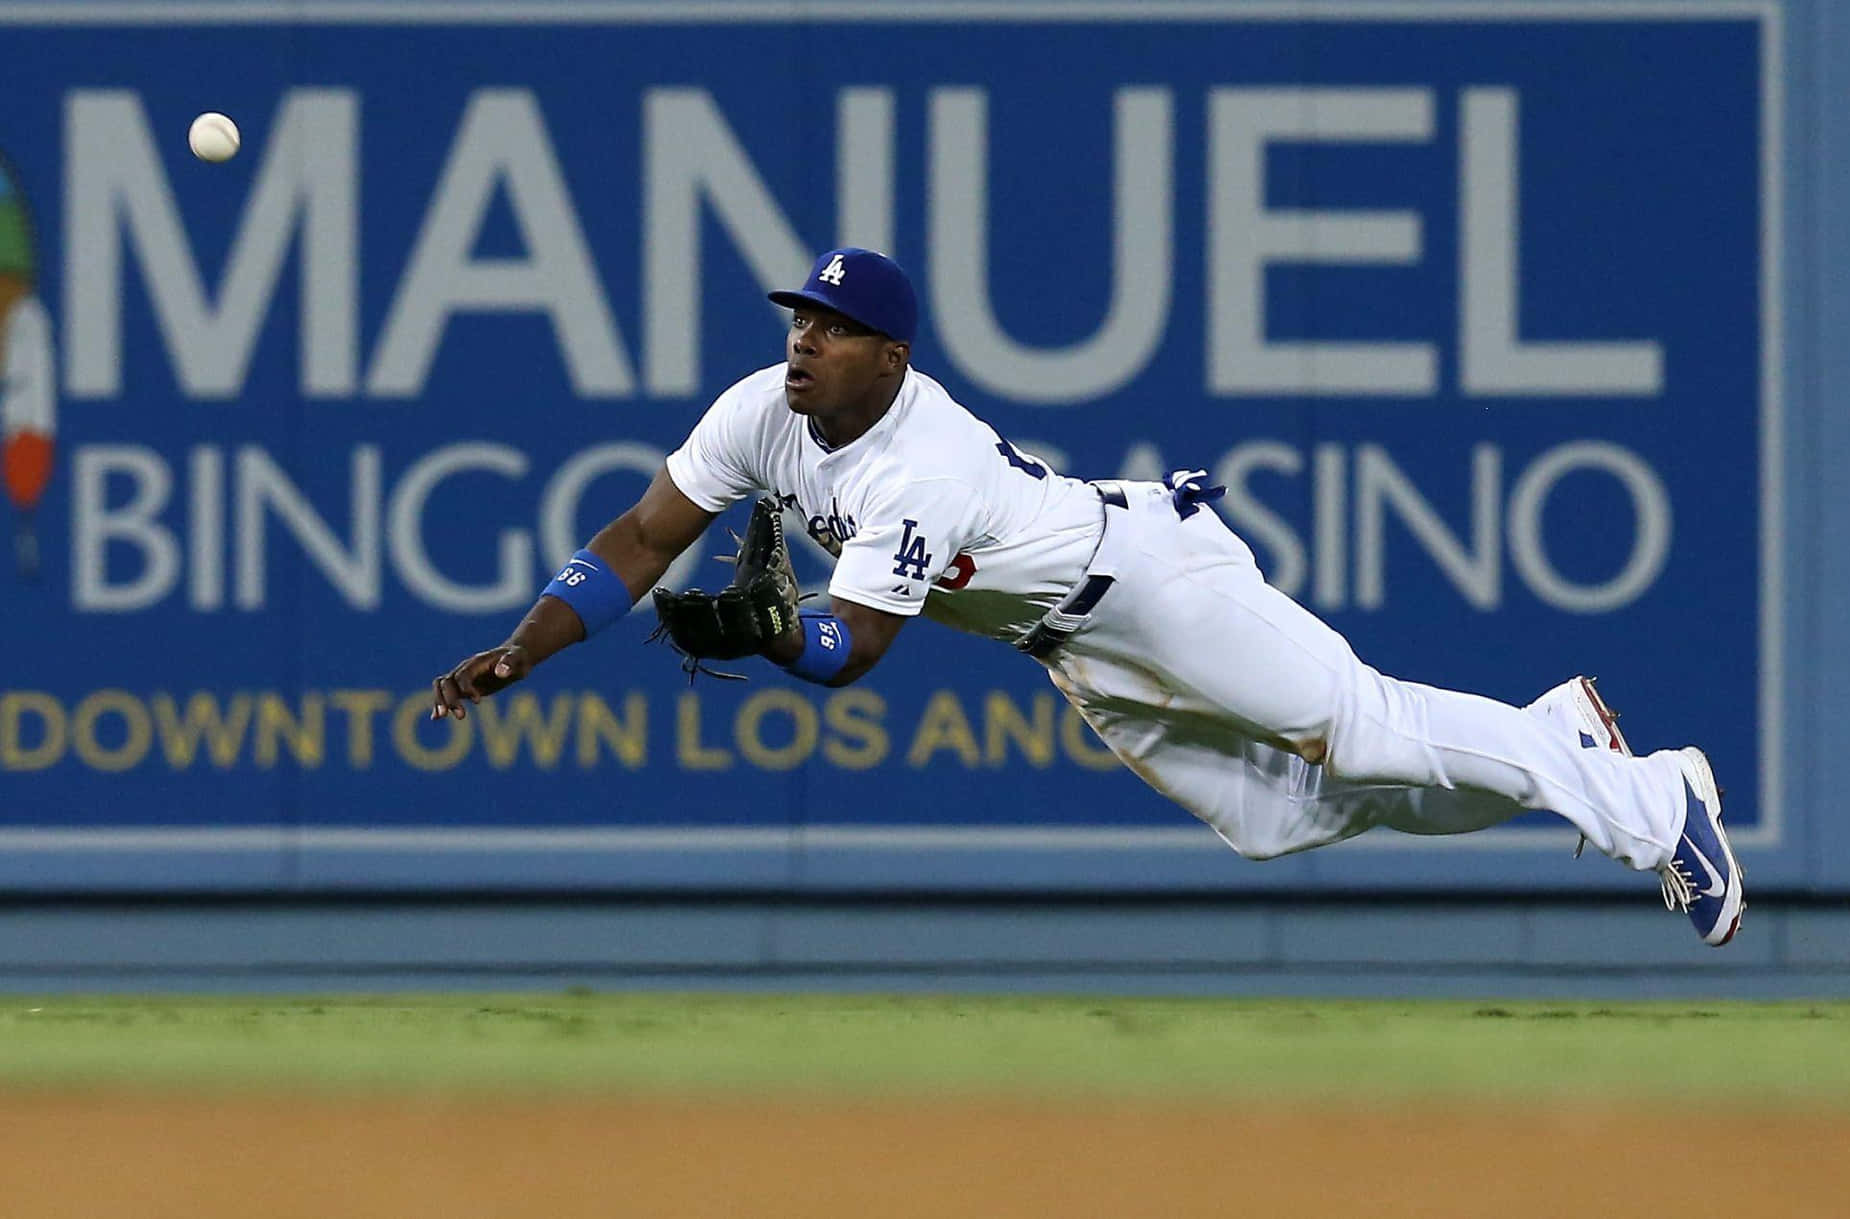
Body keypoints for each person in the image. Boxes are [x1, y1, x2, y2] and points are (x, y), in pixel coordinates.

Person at [430, 248, 1746, 946]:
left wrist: (780, 635)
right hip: (1074, 646)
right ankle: (1558, 740)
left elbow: (854, 653)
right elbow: (642, 536)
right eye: (796, 320)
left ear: (889, 357)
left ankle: (1654, 803)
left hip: (1149, 580)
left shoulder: (920, 462)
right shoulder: (755, 416)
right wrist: (523, 648)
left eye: (828, 329)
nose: (801, 342)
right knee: (1279, 820)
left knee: (1362, 729)